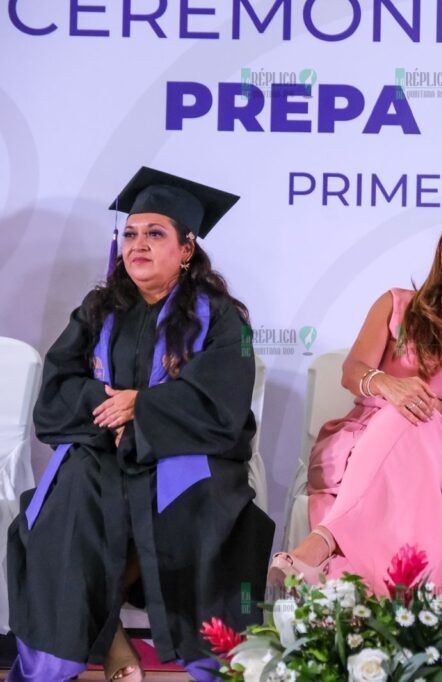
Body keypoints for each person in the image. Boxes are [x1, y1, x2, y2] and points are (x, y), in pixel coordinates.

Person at [6, 167, 274, 681]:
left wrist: (144, 410)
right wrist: (111, 409)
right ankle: (78, 653)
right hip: (101, 452)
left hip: (186, 454)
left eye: (155, 234)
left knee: (194, 507)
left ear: (187, 248)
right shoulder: (97, 309)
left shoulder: (220, 318)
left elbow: (225, 405)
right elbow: (57, 393)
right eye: (130, 234)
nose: (138, 245)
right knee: (71, 502)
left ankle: (186, 655)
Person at [269, 206, 442, 595]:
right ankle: (388, 610)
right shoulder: (397, 304)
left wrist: (436, 409)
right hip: (363, 443)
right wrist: (390, 386)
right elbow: (352, 371)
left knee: (413, 414)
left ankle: (323, 544)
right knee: (403, 416)